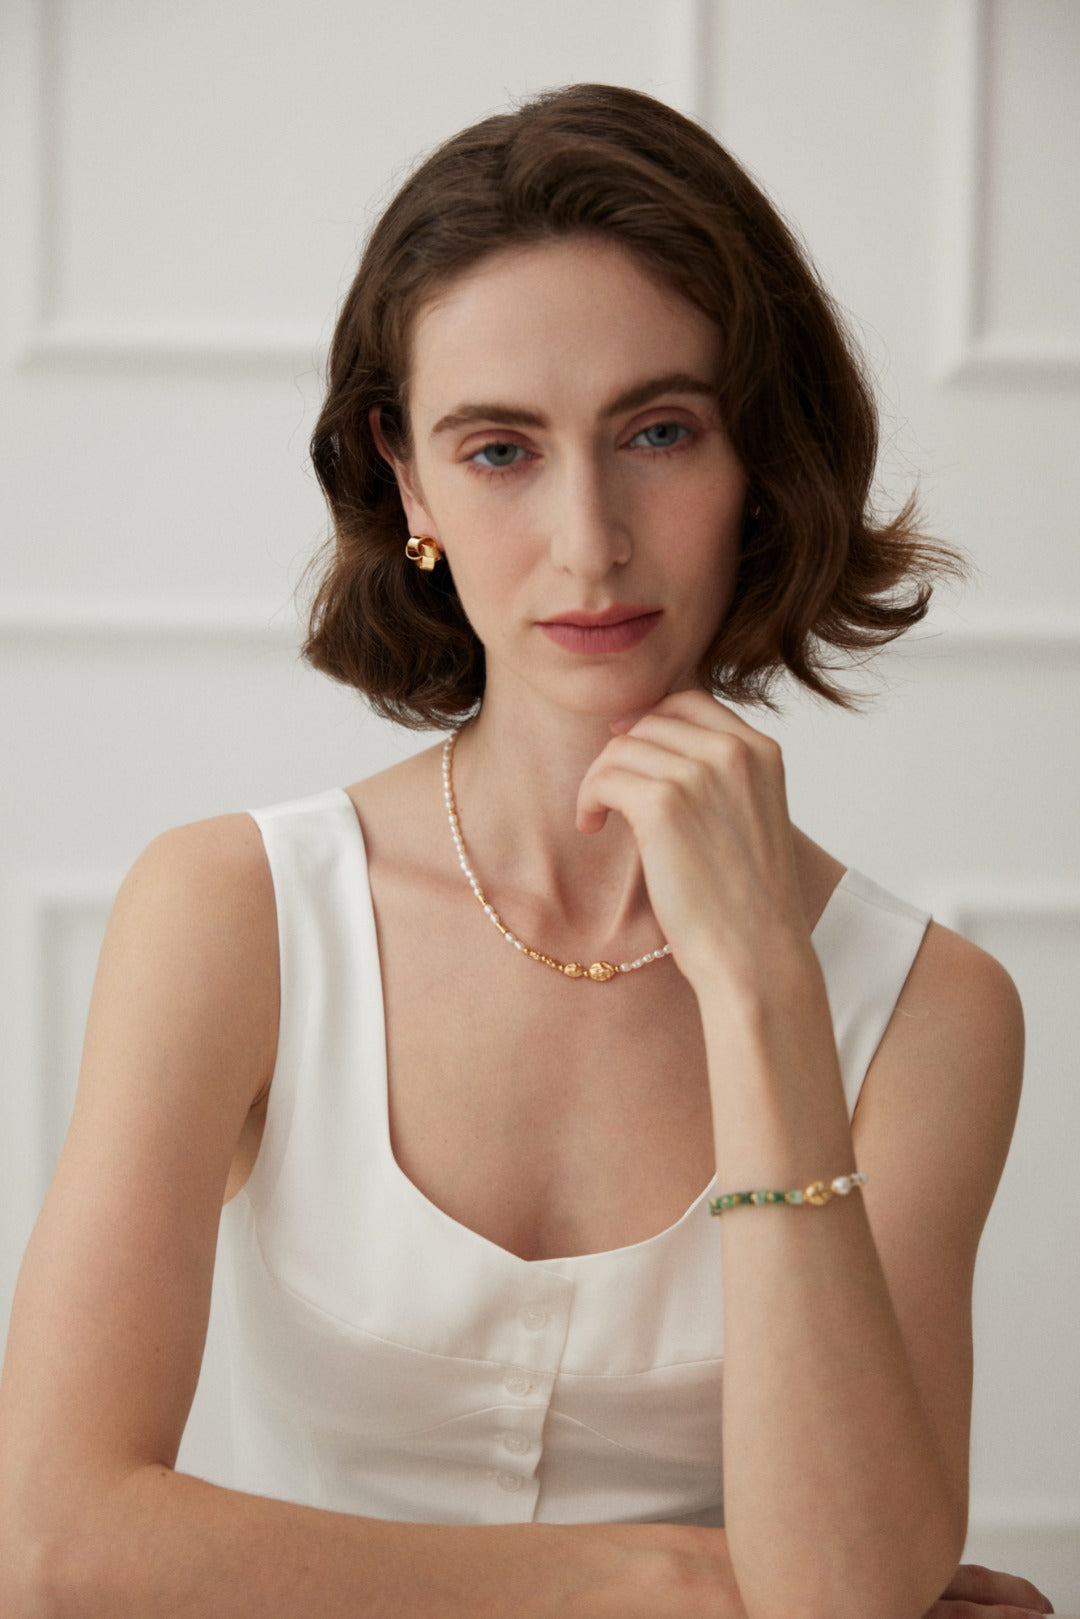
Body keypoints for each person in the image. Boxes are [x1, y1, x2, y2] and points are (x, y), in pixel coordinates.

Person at [0, 83, 1054, 1619]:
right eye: (501, 450)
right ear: (408, 479)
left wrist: (763, 982)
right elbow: (55, 1549)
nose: (591, 541)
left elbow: (835, 1601)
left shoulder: (933, 1013)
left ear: (760, 455)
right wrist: (668, 1583)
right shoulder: (232, 913)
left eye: (661, 431)